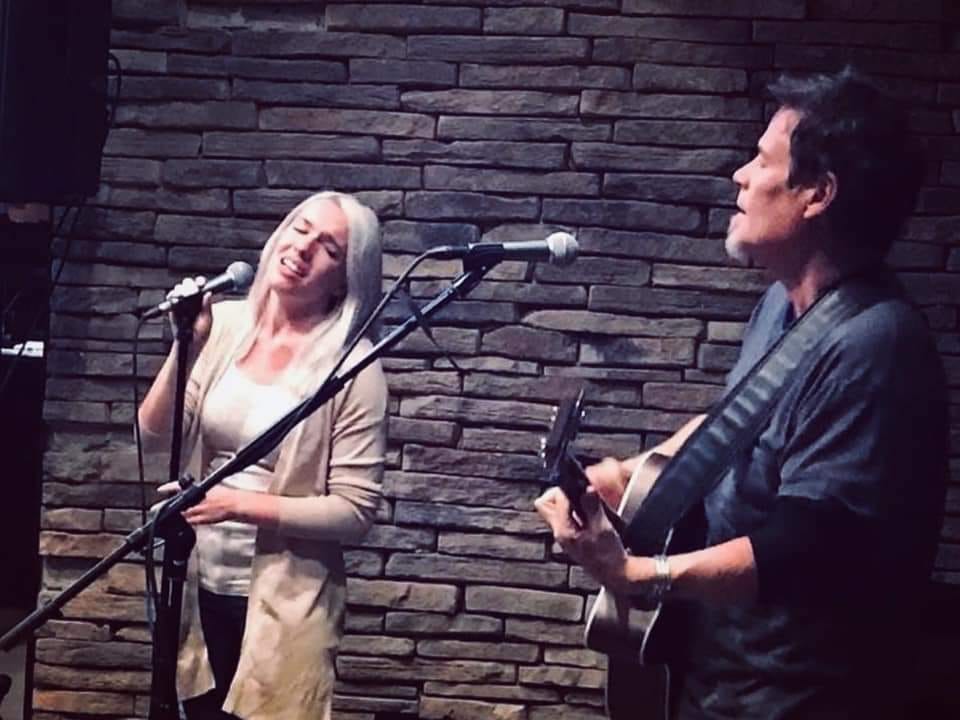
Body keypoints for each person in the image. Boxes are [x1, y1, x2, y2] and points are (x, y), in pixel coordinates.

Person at [535, 67, 948, 719]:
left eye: (761, 160)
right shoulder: (783, 307)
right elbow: (735, 423)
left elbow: (806, 541)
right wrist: (630, 474)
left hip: (800, 697)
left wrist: (640, 575)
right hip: (721, 676)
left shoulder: (876, 344)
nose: (741, 176)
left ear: (818, 193)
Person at [138, 191, 388, 720]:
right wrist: (186, 346)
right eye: (300, 228)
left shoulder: (353, 366)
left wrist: (235, 505)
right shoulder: (225, 325)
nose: (304, 248)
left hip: (285, 603)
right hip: (197, 584)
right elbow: (151, 437)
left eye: (329, 248)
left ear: (344, 280)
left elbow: (355, 511)